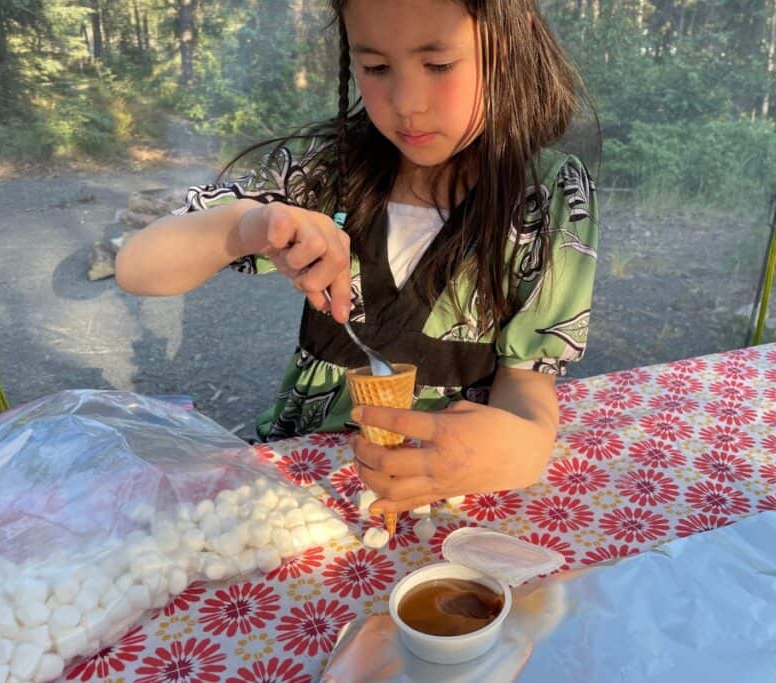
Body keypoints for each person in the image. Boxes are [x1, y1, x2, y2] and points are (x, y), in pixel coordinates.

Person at [116, 0, 599, 517]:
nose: (407, 102)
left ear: (508, 42)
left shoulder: (547, 196)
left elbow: (527, 381)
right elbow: (138, 267)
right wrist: (247, 225)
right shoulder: (326, 170)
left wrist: (525, 445)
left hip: (452, 498)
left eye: (438, 65)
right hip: (300, 498)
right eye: (375, 67)